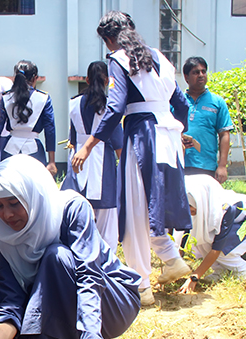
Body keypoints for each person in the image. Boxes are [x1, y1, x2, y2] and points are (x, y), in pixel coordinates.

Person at [0, 156, 140, 339]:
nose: (7, 215)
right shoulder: (8, 235)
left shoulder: (70, 209)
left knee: (56, 257)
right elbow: (11, 301)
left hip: (111, 300)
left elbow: (88, 279)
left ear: (32, 195)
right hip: (60, 298)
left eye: (14, 203)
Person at [72, 11, 192, 306]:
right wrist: (179, 132)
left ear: (109, 39)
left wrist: (88, 144)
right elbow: (182, 103)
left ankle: (142, 283)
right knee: (156, 204)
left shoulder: (119, 60)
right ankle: (169, 258)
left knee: (136, 212)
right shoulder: (160, 58)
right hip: (168, 138)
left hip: (143, 137)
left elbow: (114, 109)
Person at [62, 61, 123, 252]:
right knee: (107, 223)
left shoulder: (73, 103)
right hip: (103, 165)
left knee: (78, 216)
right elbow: (119, 145)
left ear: (87, 79)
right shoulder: (110, 109)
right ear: (107, 81)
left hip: (78, 162)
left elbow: (72, 139)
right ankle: (107, 265)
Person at [178, 175, 246, 293]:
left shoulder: (225, 209)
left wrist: (194, 277)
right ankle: (220, 271)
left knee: (223, 251)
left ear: (201, 201)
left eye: (190, 206)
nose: (188, 210)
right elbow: (184, 235)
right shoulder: (202, 208)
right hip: (228, 232)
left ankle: (244, 271)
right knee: (201, 240)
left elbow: (217, 248)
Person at [0, 60, 57, 176]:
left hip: (9, 149)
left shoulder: (6, 97)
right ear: (35, 78)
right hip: (34, 151)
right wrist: (52, 161)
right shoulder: (43, 98)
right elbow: (50, 130)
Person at [182, 57, 233, 184]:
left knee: (206, 204)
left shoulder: (217, 102)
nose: (201, 75)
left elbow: (224, 134)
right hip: (180, 164)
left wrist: (222, 166)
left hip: (207, 167)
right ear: (186, 77)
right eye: (195, 72)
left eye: (203, 71)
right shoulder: (177, 101)